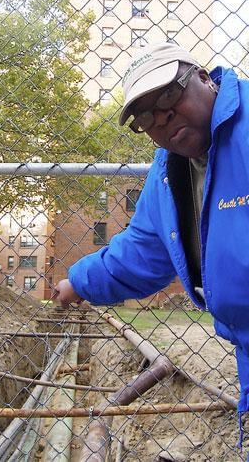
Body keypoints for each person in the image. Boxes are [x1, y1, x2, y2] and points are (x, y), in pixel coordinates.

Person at [54, 42, 249, 433]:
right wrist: (77, 281)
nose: (161, 118)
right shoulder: (168, 173)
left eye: (169, 96)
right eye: (145, 116)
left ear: (204, 78)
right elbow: (142, 250)